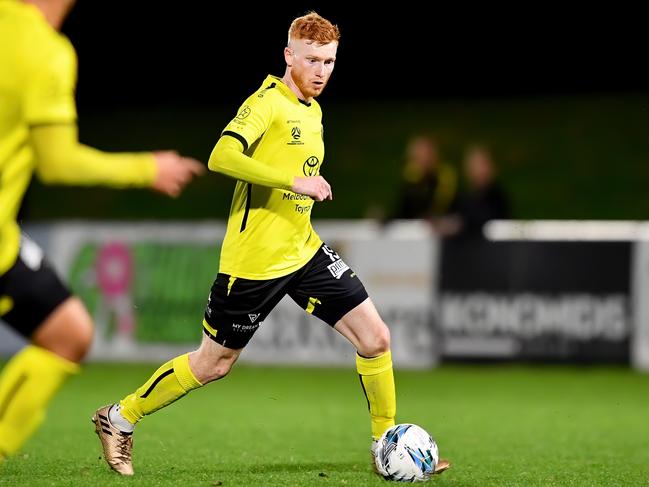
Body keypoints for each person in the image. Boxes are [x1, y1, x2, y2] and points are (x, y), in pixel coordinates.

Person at [92, 11, 450, 477]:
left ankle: (386, 443)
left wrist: (298, 189)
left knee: (376, 337)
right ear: (288, 55)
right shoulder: (267, 101)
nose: (321, 71)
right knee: (213, 365)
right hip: (253, 264)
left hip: (303, 251)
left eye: (330, 61)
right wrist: (294, 181)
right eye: (312, 60)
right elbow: (221, 155)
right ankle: (118, 418)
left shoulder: (313, 110)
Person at [0, 0, 204, 463]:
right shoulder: (44, 50)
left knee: (68, 331)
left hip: (6, 242)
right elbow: (56, 160)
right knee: (69, 335)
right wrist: (146, 168)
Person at [437, 145, 510, 240]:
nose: (480, 171)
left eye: (483, 165)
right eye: (475, 166)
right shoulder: (463, 199)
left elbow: (489, 220)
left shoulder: (498, 198)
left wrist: (462, 224)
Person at [394, 135, 457, 220]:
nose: (424, 158)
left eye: (427, 154)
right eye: (420, 154)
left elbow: (442, 205)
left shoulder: (444, 176)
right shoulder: (411, 176)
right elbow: (404, 207)